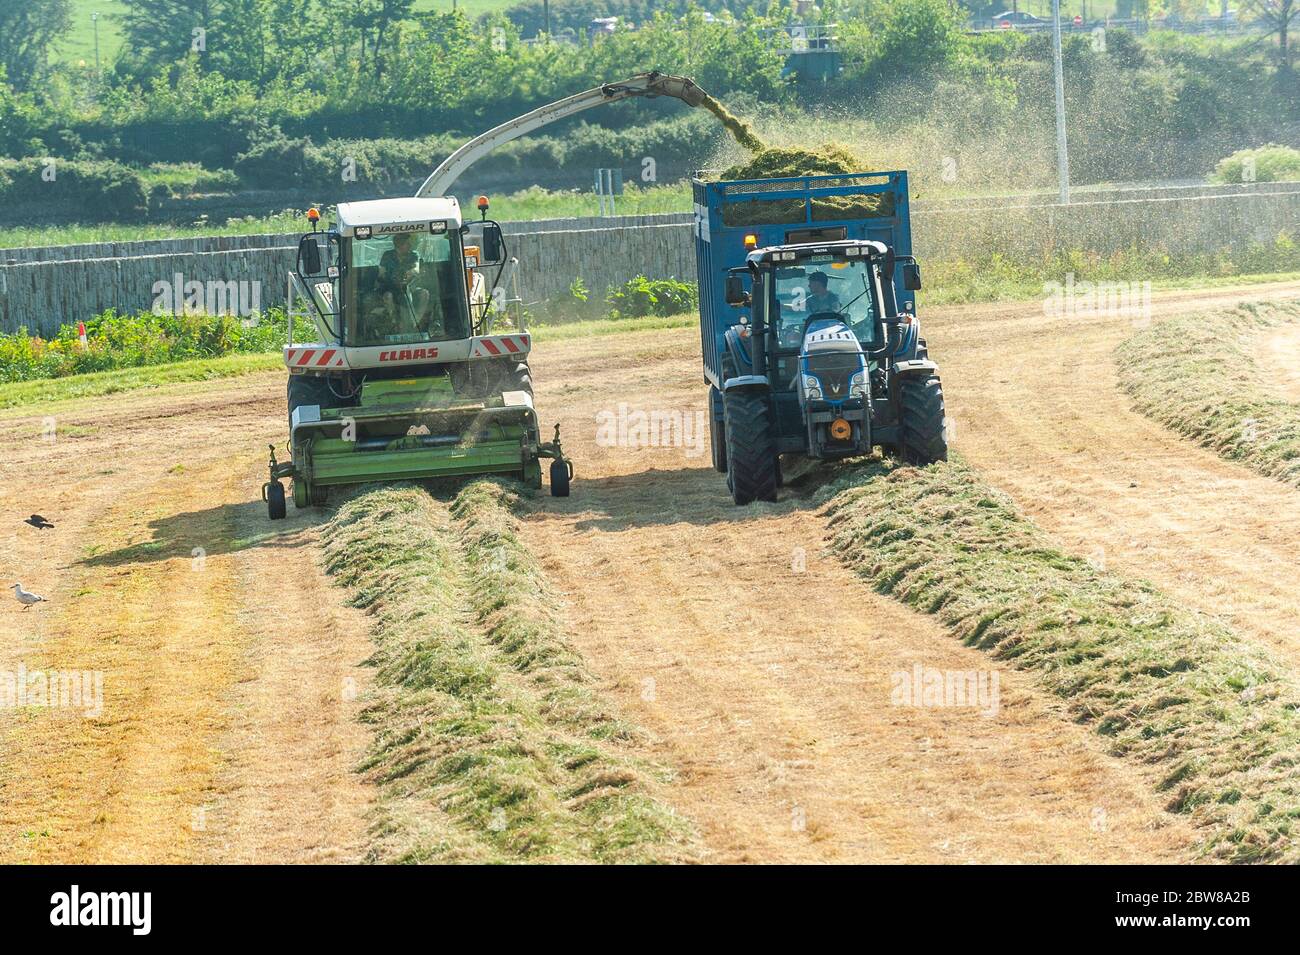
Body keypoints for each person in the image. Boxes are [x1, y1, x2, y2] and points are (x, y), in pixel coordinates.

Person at [377, 232, 431, 330]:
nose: (410, 245)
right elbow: (381, 272)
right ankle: (393, 322)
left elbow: (415, 270)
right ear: (399, 244)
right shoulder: (387, 255)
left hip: (409, 286)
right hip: (390, 287)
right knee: (388, 296)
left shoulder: (414, 255)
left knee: (424, 293)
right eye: (407, 243)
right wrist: (389, 279)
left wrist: (407, 275)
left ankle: (415, 322)